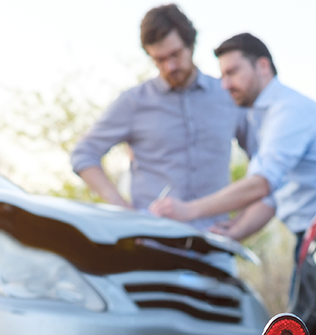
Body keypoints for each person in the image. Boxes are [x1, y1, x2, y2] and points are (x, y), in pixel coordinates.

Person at [149, 33, 316, 257]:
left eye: (232, 72)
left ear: (262, 66)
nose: (225, 85)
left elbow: (260, 184)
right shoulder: (265, 116)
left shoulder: (289, 111)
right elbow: (272, 195)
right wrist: (236, 229)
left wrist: (188, 210)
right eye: (223, 76)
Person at [70, 5, 244, 230]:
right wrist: (123, 210)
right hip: (153, 242)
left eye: (175, 55)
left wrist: (241, 225)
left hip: (214, 243)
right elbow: (84, 153)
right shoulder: (134, 102)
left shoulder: (227, 95)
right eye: (159, 60)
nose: (170, 66)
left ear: (191, 45)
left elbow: (265, 165)